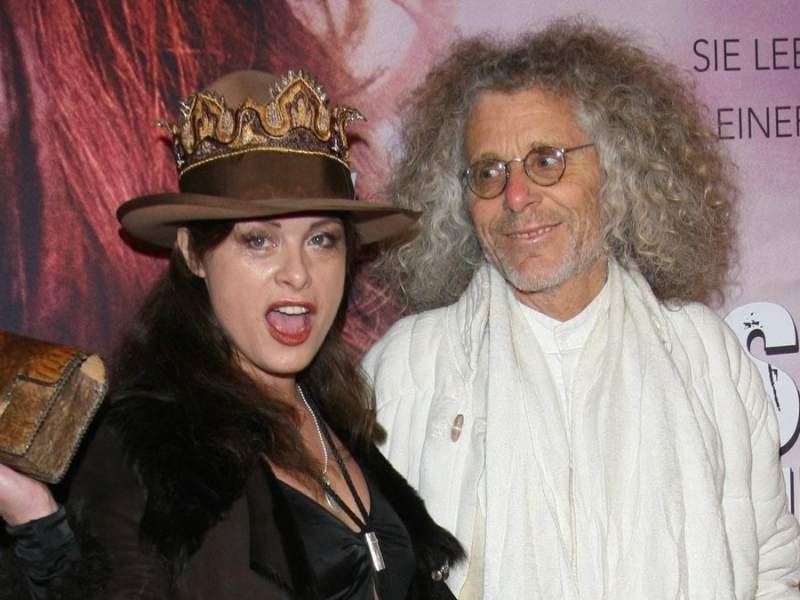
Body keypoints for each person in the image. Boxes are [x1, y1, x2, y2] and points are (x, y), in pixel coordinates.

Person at [362, 19, 800, 599]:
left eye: (547, 160)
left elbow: (773, 572)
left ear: (615, 170)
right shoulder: (402, 370)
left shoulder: (707, 357)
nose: (517, 197)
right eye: (489, 172)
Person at [0, 69, 462, 599]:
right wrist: (37, 524)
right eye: (259, 241)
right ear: (194, 254)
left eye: (321, 239)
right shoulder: (150, 445)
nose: (297, 273)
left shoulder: (337, 419)